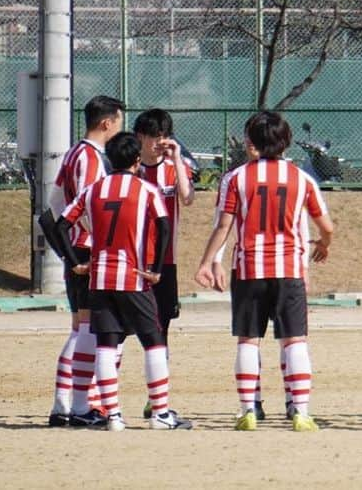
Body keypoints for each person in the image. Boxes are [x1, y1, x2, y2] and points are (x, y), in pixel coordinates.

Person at [194, 111, 335, 432]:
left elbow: (224, 226)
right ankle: (300, 411)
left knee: (248, 340)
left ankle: (249, 411)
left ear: (251, 142)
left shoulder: (236, 178)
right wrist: (324, 244)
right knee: (294, 340)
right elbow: (326, 226)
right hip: (289, 269)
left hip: (248, 269)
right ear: (285, 142)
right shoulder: (302, 179)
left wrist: (207, 260)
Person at [54, 131, 193, 432]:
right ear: (135, 160)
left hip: (100, 279)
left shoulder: (94, 190)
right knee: (153, 342)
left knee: (106, 344)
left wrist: (76, 262)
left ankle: (114, 417)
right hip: (133, 277)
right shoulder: (145, 190)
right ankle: (161, 413)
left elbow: (62, 223)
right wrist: (155, 268)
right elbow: (164, 225)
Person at [46, 94, 124, 428]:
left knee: (81, 328)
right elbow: (92, 207)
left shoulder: (73, 154)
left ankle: (65, 404)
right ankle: (78, 405)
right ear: (107, 123)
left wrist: (64, 249)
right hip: (90, 250)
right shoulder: (92, 159)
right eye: (119, 122)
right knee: (90, 330)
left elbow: (52, 205)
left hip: (76, 249)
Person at [134, 108, 195, 418]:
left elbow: (187, 197)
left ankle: (154, 396)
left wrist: (177, 160)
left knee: (162, 328)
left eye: (163, 136)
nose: (158, 142)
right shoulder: (129, 169)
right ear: (139, 137)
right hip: (132, 259)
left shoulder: (174, 168)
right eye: (153, 136)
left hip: (164, 261)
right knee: (117, 330)